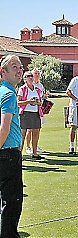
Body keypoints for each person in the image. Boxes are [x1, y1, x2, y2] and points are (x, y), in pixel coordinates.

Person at [0, 54, 24, 237]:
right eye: (14, 67)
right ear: (3, 72)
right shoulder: (8, 94)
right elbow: (4, 128)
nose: (19, 70)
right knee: (12, 201)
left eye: (21, 66)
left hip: (7, 153)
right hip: (7, 154)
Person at [17, 71, 45, 160]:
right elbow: (18, 103)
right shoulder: (22, 89)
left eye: (31, 76)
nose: (30, 77)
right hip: (25, 113)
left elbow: (41, 102)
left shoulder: (37, 89)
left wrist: (37, 103)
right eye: (28, 76)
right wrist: (29, 101)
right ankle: (19, 154)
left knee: (36, 132)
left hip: (35, 112)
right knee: (23, 134)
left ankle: (35, 153)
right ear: (24, 79)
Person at [25, 68, 46, 154]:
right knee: (29, 129)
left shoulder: (40, 85)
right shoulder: (27, 86)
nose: (37, 75)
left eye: (38, 73)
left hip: (38, 110)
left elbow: (42, 96)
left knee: (37, 129)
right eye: (35, 74)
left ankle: (35, 146)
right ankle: (28, 146)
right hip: (28, 110)